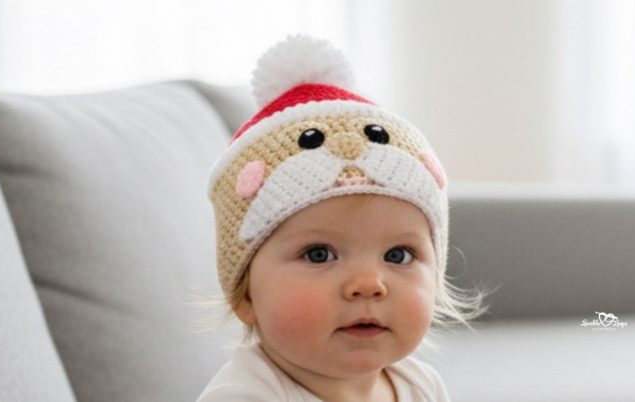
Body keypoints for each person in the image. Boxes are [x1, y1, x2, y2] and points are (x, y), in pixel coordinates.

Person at [199, 35, 485, 402]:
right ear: (245, 295)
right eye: (319, 254)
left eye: (398, 255)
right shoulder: (246, 396)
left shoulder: (420, 385)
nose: (368, 284)